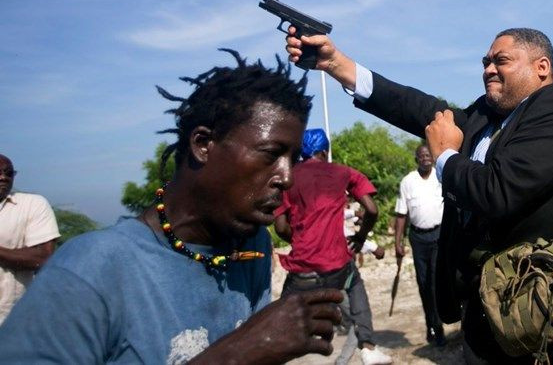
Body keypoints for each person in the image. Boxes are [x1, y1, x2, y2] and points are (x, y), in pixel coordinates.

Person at [287, 26, 553, 364]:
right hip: (500, 325)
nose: (488, 69)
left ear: (541, 67)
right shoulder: (485, 116)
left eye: (501, 60)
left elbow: (497, 192)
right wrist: (337, 65)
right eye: (485, 62)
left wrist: (446, 155)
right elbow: (419, 108)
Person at [0, 51, 343, 363]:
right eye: (271, 154)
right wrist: (235, 355)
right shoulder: (90, 271)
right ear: (203, 144)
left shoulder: (252, 245)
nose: (287, 177)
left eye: (292, 159)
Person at [274, 128, 393, 365]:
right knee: (355, 286)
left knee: (281, 316)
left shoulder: (288, 178)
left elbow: (280, 227)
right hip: (337, 267)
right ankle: (368, 347)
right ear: (324, 151)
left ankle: (272, 351)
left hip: (302, 269)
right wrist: (360, 237)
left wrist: (299, 241)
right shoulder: (342, 172)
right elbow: (371, 209)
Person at [393, 143, 445, 346]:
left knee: (434, 281)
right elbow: (401, 214)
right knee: (423, 284)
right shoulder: (408, 182)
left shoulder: (440, 176)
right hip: (418, 238)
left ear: (432, 157)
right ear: (416, 160)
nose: (425, 158)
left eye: (428, 155)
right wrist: (398, 242)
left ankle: (439, 326)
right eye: (421, 156)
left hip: (439, 234)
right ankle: (430, 324)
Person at [0, 154, 59, 325]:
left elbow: (42, 257)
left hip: (11, 321)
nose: (3, 177)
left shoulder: (32, 205)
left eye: (9, 173)